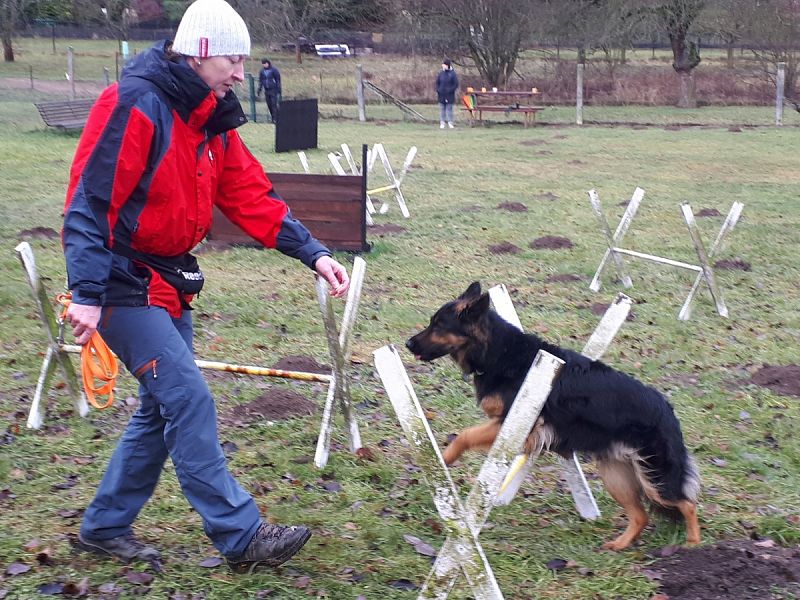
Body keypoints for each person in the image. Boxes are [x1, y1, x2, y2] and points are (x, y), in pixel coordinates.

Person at [62, 0, 349, 574]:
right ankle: (242, 535)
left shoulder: (210, 118)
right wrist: (88, 293)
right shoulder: (135, 104)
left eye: (243, 61)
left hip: (167, 280)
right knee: (188, 397)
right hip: (120, 280)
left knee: (159, 408)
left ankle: (102, 528)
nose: (241, 73)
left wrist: (312, 252)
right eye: (231, 60)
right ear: (197, 54)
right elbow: (90, 202)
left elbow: (250, 194)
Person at [256, 58, 282, 124]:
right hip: (266, 90)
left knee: (274, 104)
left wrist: (279, 88)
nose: (264, 65)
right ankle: (273, 118)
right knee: (269, 104)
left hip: (273, 90)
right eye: (263, 64)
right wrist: (259, 89)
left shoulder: (274, 70)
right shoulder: (262, 71)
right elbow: (261, 81)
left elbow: (278, 79)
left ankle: (276, 119)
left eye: (265, 64)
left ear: (268, 63)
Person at [435, 58, 459, 129]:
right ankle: (442, 123)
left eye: (444, 65)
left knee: (449, 109)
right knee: (442, 108)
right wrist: (438, 90)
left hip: (449, 95)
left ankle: (450, 122)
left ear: (447, 65)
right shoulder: (441, 73)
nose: (442, 66)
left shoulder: (452, 74)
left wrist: (450, 90)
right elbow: (437, 83)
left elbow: (456, 84)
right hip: (441, 94)